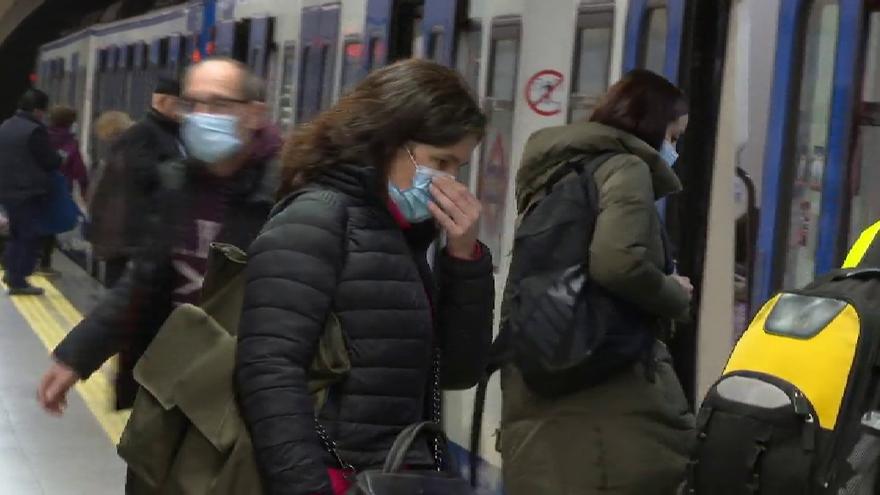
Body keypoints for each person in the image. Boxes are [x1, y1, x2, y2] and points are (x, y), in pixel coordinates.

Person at [234, 58, 495, 495]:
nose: (449, 181)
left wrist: (464, 257)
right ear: (387, 141)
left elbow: (457, 369)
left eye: (458, 167)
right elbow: (269, 372)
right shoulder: (316, 220)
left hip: (388, 475)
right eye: (439, 161)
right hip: (337, 477)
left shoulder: (400, 234)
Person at [38, 57, 281, 412]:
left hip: (247, 394)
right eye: (192, 103)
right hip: (173, 379)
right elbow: (144, 279)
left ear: (255, 114)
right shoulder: (177, 182)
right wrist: (77, 356)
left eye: (218, 104)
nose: (201, 115)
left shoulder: (286, 192)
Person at [500, 69, 694, 495]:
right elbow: (617, 262)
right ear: (651, 125)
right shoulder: (626, 168)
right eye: (673, 137)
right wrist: (672, 294)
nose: (674, 150)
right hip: (603, 395)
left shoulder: (556, 171)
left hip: (541, 378)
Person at [0, 88, 62, 296]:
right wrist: (61, 158)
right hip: (28, 191)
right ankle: (18, 279)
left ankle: (12, 273)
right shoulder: (34, 131)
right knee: (27, 235)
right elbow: (50, 161)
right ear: (37, 110)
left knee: (16, 234)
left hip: (8, 189)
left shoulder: (6, 125)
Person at [38, 105, 89, 277]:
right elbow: (79, 172)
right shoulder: (70, 144)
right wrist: (84, 192)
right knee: (51, 226)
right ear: (71, 123)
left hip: (36, 187)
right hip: (58, 191)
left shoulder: (40, 137)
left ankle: (28, 260)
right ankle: (45, 263)